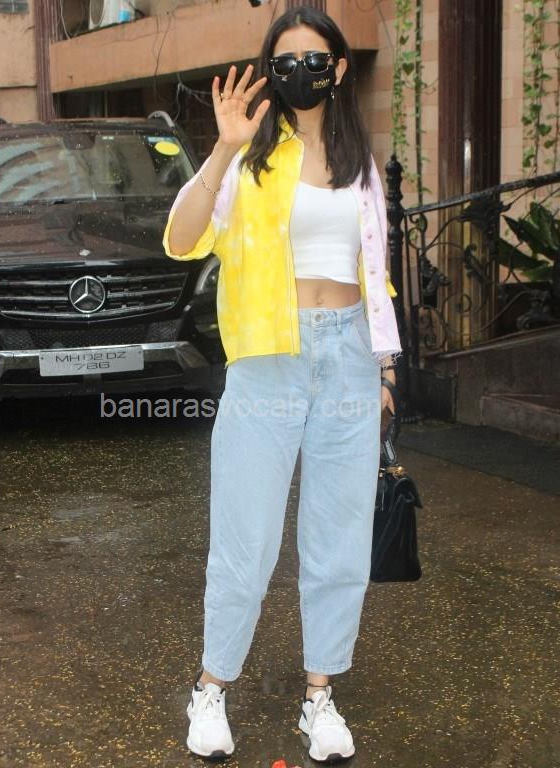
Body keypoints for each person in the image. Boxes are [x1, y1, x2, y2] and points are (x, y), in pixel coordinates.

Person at [163, 5, 403, 763]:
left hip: (350, 358)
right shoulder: (250, 163)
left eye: (315, 59)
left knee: (339, 539)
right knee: (247, 538)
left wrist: (386, 368)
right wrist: (221, 149)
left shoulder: (363, 166)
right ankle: (211, 688)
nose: (301, 71)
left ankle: (319, 697)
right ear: (272, 72)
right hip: (269, 357)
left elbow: (375, 272)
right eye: (285, 61)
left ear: (339, 69)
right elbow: (180, 239)